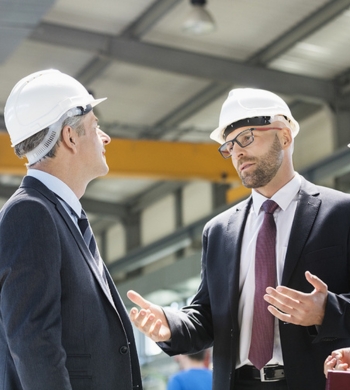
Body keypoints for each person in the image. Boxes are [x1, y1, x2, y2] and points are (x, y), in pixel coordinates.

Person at [127, 88, 350, 390]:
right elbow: (207, 316)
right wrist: (169, 325)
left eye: (246, 138)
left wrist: (327, 310)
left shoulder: (340, 212)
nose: (237, 153)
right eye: (229, 146)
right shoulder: (219, 231)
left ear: (284, 136)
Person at [0, 70, 142, 390]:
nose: (104, 138)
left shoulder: (57, 215)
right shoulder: (31, 214)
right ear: (69, 136)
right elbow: (35, 345)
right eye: (95, 127)